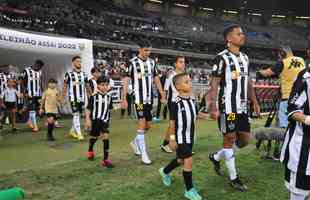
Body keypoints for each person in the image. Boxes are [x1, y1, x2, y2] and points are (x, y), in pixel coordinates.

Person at [207, 25, 260, 191]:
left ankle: (216, 156)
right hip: (228, 107)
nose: (242, 36)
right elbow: (214, 82)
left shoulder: (245, 57)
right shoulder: (221, 58)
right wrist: (213, 104)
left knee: (244, 140)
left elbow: (248, 83)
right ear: (229, 38)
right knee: (229, 139)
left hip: (243, 107)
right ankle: (234, 178)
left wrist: (255, 102)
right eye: (239, 34)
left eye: (243, 33)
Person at [159, 72, 203, 200]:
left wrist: (209, 116)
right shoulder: (174, 103)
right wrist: (172, 140)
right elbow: (172, 123)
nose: (190, 83)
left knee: (180, 160)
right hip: (180, 137)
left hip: (190, 137)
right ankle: (189, 190)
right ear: (178, 87)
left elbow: (196, 114)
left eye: (190, 81)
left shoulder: (192, 100)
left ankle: (165, 171)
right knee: (188, 160)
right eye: (187, 82)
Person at [121, 39, 166, 165]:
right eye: (145, 50)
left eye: (149, 50)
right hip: (139, 100)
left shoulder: (152, 63)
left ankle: (135, 143)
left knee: (148, 126)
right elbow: (125, 81)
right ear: (139, 49)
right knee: (141, 125)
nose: (147, 52)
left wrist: (162, 93)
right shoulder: (132, 63)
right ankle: (144, 154)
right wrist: (124, 98)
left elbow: (156, 79)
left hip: (149, 99)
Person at [280, 67, 310, 200]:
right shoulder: (306, 77)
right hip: (303, 148)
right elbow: (292, 109)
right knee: (299, 192)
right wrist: (307, 119)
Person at [258, 46, 305, 129]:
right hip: (301, 98)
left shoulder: (283, 63)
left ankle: (283, 140)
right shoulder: (301, 60)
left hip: (287, 98)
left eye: (279, 55)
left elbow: (266, 73)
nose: (279, 57)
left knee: (284, 127)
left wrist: (259, 71)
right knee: (298, 125)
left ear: (283, 53)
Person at [85, 75, 114, 168]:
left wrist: (108, 120)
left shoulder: (109, 97)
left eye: (106, 85)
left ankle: (105, 159)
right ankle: (90, 150)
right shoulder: (93, 97)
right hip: (95, 120)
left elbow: (109, 109)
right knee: (94, 137)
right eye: (102, 85)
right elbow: (88, 109)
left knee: (106, 137)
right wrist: (88, 120)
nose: (104, 87)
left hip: (104, 121)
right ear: (98, 86)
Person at [161, 56, 186, 153]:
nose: (183, 64)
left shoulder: (184, 75)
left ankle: (171, 144)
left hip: (182, 102)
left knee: (178, 124)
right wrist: (163, 98)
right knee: (174, 124)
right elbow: (166, 89)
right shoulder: (171, 75)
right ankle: (166, 144)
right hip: (173, 103)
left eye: (183, 62)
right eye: (180, 62)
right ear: (175, 64)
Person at [63, 56, 90, 141]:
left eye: (80, 61)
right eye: (77, 61)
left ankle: (72, 131)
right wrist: (62, 97)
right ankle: (79, 133)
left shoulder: (84, 74)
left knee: (78, 115)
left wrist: (91, 95)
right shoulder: (69, 74)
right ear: (73, 63)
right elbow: (65, 87)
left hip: (82, 99)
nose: (79, 63)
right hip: (73, 98)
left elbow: (87, 86)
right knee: (76, 115)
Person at [21, 60, 44, 132]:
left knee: (39, 109)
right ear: (35, 64)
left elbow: (40, 82)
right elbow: (22, 82)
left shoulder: (40, 71)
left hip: (38, 93)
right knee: (32, 109)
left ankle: (29, 121)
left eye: (40, 67)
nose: (39, 68)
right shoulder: (26, 70)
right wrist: (25, 92)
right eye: (39, 66)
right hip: (30, 94)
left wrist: (42, 91)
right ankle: (35, 126)